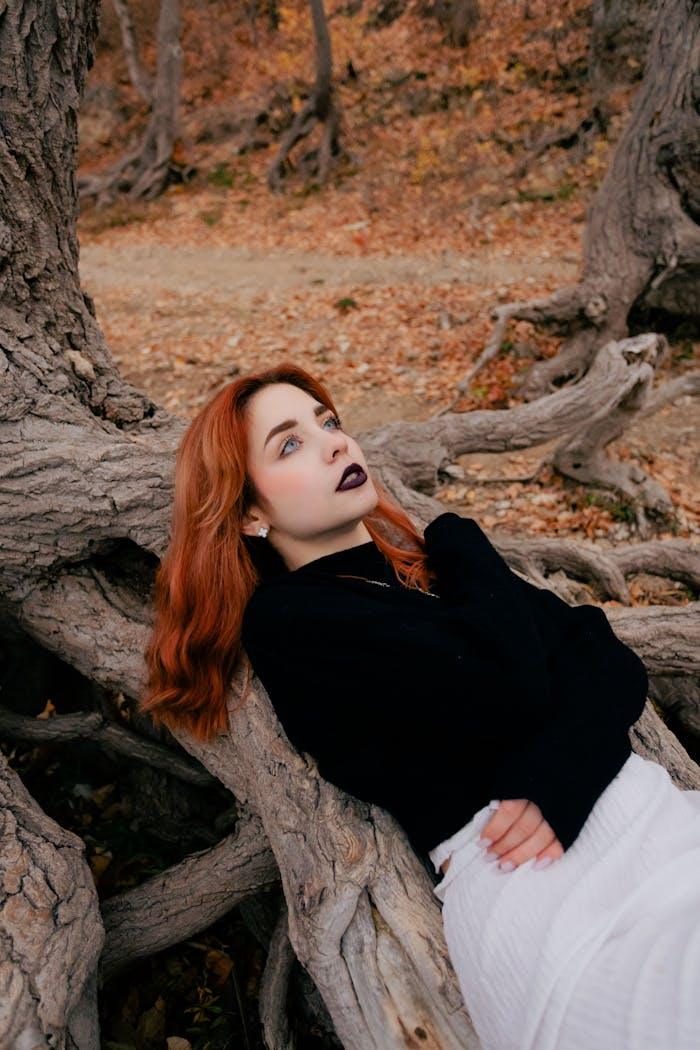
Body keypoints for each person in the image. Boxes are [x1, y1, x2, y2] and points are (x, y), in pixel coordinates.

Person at [141, 361, 700, 1050]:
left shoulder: (425, 579)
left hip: (654, 825)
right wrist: (465, 540)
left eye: (330, 423)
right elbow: (515, 681)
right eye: (290, 444)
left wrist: (563, 770)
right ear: (251, 512)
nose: (336, 445)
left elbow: (605, 653)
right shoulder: (293, 621)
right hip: (552, 891)